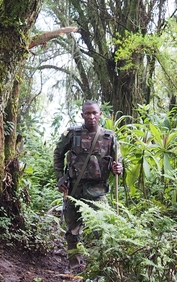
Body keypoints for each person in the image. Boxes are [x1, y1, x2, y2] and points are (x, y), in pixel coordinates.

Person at [53, 101, 123, 273]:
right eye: (88, 113)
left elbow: (118, 162)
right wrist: (60, 178)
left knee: (103, 229)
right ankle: (75, 266)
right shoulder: (72, 134)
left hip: (98, 190)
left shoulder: (109, 137)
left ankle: (102, 266)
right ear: (82, 115)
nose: (91, 117)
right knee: (73, 230)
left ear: (100, 115)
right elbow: (58, 153)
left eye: (94, 113)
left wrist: (118, 168)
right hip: (75, 188)